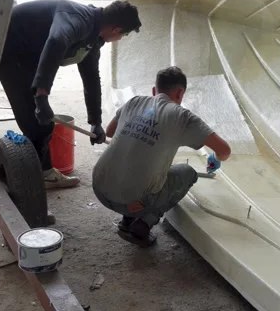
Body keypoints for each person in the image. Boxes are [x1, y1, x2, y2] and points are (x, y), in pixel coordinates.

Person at [0, 0, 141, 189]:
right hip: (8, 47)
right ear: (116, 29)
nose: (121, 38)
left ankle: (45, 173)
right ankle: (27, 183)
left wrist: (95, 122)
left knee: (42, 125)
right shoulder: (78, 19)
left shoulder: (94, 39)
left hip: (29, 55)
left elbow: (91, 79)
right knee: (37, 125)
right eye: (124, 34)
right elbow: (57, 39)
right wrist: (41, 96)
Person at [92, 66, 231, 246]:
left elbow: (110, 132)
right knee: (186, 173)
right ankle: (143, 223)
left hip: (100, 189)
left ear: (154, 91)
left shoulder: (134, 102)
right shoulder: (183, 117)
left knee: (138, 166)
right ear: (180, 93)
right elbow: (225, 151)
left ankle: (128, 219)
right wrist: (216, 158)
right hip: (131, 201)